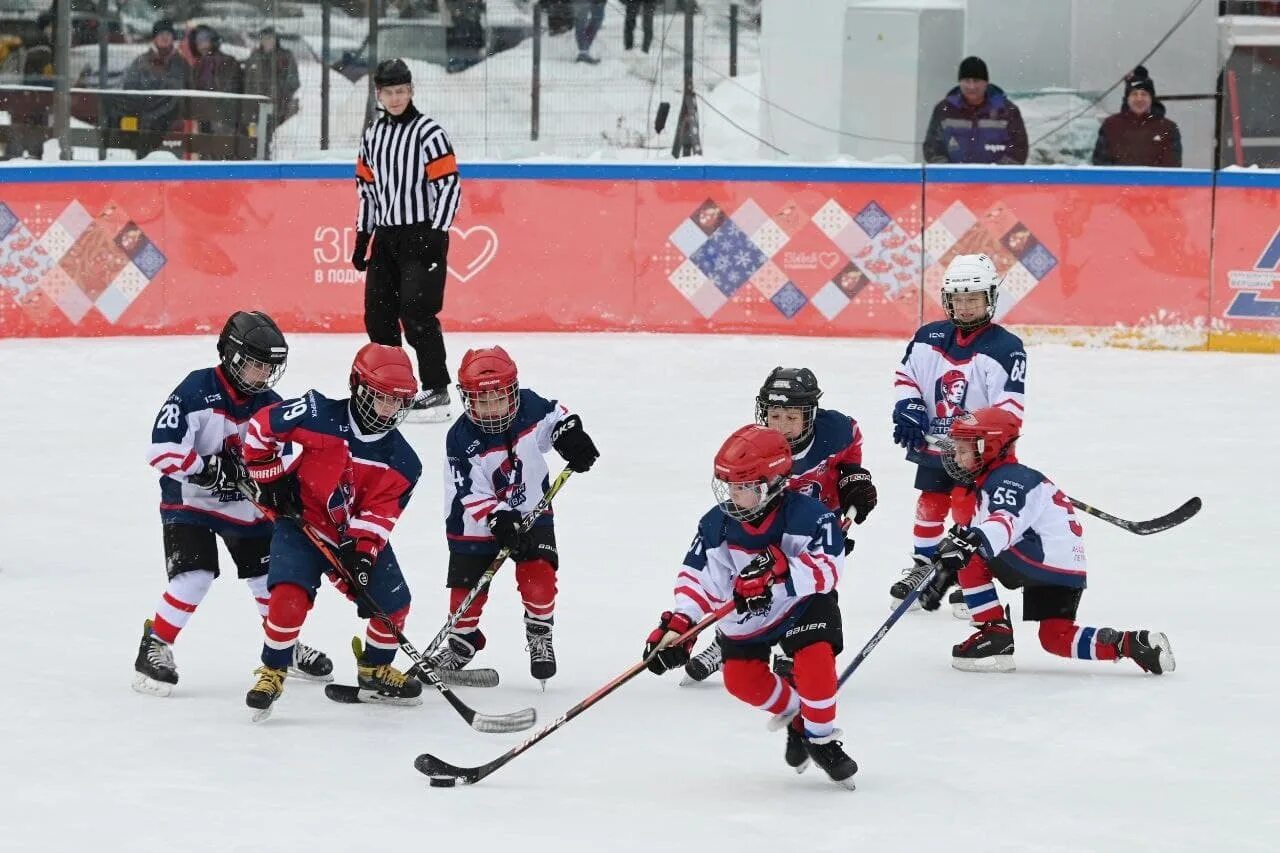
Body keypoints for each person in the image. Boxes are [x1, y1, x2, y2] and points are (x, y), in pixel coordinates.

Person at [642, 425, 857, 787]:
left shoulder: (811, 517)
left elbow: (829, 570)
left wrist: (779, 574)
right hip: (748, 618)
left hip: (801, 606)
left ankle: (822, 740)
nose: (732, 496)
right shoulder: (717, 525)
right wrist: (681, 625)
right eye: (729, 487)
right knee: (741, 682)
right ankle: (796, 715)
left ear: (773, 484)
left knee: (816, 662)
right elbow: (699, 578)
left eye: (743, 488)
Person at [134, 311, 332, 697]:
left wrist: (284, 486)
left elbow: (285, 457)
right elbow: (161, 449)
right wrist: (205, 468)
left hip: (244, 507)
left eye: (268, 367)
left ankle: (283, 647)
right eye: (255, 364)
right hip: (189, 503)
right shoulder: (195, 390)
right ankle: (155, 643)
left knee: (268, 580)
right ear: (230, 354)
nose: (262, 375)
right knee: (195, 576)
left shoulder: (271, 404)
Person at [917, 408, 1175, 675]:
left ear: (989, 447)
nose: (956, 458)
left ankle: (995, 634)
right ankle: (1135, 644)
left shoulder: (1006, 479)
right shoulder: (1006, 478)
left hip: (1038, 557)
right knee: (1056, 638)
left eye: (962, 450)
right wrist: (950, 565)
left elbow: (1004, 522)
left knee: (968, 548)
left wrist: (968, 546)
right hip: (1065, 568)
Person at [240, 343, 424, 716]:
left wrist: (362, 552)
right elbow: (260, 428)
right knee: (287, 596)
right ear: (357, 386)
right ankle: (273, 669)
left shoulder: (405, 463)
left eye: (397, 402)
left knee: (393, 603)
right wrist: (272, 479)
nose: (388, 410)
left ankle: (375, 668)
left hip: (350, 537)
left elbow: (380, 513)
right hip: (301, 522)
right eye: (380, 397)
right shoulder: (315, 413)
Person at [683, 367, 878, 683]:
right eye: (775, 416)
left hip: (814, 525)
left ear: (811, 414)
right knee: (749, 582)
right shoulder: (758, 447)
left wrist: (853, 476)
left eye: (792, 417)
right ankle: (730, 640)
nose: (782, 426)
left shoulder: (835, 430)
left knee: (810, 586)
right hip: (768, 524)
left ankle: (793, 651)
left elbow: (851, 446)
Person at [430, 345, 599, 686]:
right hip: (474, 524)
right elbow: (469, 493)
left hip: (531, 510)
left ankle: (539, 634)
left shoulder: (530, 405)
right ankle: (462, 644)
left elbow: (557, 418)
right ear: (467, 399)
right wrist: (498, 517)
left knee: (539, 582)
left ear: (513, 391)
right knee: (466, 596)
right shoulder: (460, 438)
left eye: (499, 398)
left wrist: (571, 437)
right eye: (482, 400)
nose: (492, 409)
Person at [888, 254, 1026, 616]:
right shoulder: (928, 337)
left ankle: (970, 575)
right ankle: (923, 566)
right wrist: (910, 407)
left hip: (979, 452)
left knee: (971, 510)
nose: (965, 307)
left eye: (974, 299)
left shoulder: (1006, 348)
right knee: (932, 501)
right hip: (935, 446)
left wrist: (981, 441)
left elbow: (1011, 409)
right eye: (959, 299)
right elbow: (907, 378)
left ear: (990, 298)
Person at [353, 59, 461, 423]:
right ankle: (391, 386)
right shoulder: (372, 135)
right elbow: (367, 190)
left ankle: (436, 389)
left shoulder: (429, 132)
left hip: (422, 233)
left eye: (402, 91)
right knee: (378, 315)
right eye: (389, 92)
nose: (396, 98)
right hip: (386, 236)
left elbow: (449, 185)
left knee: (416, 313)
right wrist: (363, 236)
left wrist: (436, 233)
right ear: (378, 95)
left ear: (411, 91)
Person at [923, 56, 1028, 165]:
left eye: (976, 81)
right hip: (954, 179)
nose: (971, 86)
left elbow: (1019, 150)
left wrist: (996, 173)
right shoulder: (943, 110)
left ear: (986, 83)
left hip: (996, 180)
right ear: (960, 82)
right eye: (967, 81)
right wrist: (949, 172)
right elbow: (932, 148)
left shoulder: (1007, 111)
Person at [118, 20, 189, 159]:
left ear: (173, 38)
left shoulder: (182, 64)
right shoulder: (141, 62)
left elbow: (189, 93)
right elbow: (130, 92)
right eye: (161, 34)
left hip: (173, 128)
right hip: (146, 127)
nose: (165, 37)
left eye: (168, 34)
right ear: (154, 37)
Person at [1091, 66, 1181, 168]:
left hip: (1155, 183)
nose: (1139, 99)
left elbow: (1172, 168)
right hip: (1118, 183)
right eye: (1134, 94)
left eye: (1144, 94)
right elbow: (1101, 164)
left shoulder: (1168, 128)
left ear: (1151, 99)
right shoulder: (1111, 125)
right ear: (1127, 99)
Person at [185, 24, 243, 160]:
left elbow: (231, 90)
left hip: (224, 122)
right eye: (198, 42)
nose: (202, 45)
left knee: (223, 158)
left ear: (213, 41)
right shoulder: (198, 65)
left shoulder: (227, 62)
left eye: (205, 40)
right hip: (204, 122)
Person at [241, 26, 300, 146]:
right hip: (255, 108)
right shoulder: (255, 57)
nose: (267, 41)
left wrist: (281, 94)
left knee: (273, 140)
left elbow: (293, 82)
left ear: (276, 40)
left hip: (278, 107)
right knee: (256, 140)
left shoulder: (285, 56)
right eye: (264, 38)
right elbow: (247, 81)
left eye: (270, 38)